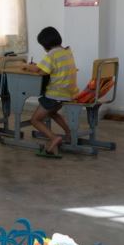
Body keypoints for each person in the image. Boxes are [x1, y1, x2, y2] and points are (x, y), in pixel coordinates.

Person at [22, 27, 79, 157]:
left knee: (35, 120)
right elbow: (44, 70)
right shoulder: (66, 51)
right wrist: (38, 67)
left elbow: (38, 71)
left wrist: (26, 66)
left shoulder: (52, 54)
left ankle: (54, 138)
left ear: (46, 44)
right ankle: (68, 133)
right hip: (69, 93)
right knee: (52, 112)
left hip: (56, 94)